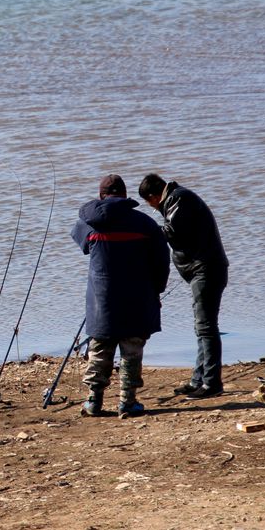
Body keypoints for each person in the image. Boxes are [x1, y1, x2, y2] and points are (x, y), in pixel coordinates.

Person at [72, 174, 169, 418]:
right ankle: (128, 403)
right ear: (126, 196)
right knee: (132, 350)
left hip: (101, 300)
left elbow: (81, 243)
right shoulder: (146, 224)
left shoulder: (88, 224)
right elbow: (161, 263)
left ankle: (93, 402)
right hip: (138, 298)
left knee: (100, 349)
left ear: (101, 196)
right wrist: (157, 291)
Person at [138, 173, 228, 398]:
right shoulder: (176, 200)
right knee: (202, 327)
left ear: (154, 196)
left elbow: (171, 231)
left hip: (206, 270)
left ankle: (212, 384)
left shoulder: (180, 199)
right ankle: (199, 380)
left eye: (149, 203)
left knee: (206, 327)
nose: (151, 207)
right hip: (202, 270)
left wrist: (144, 230)